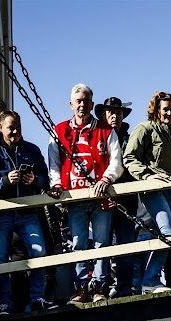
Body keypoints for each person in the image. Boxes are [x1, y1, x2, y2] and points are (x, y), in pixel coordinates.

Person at [49, 84, 123, 305]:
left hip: (101, 197)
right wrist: (56, 184)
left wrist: (105, 180)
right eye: (78, 101)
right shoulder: (60, 130)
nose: (82, 105)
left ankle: (99, 287)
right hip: (75, 199)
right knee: (79, 243)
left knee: (101, 243)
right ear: (71, 104)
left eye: (86, 101)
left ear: (92, 104)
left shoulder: (105, 130)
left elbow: (116, 161)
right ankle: (80, 288)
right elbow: (54, 162)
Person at [0, 111, 56, 315]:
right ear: (0, 127)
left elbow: (45, 178)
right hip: (1, 214)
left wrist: (34, 181)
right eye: (11, 127)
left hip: (28, 211)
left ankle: (38, 298)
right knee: (1, 259)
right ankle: (5, 303)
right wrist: (4, 181)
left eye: (18, 127)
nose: (16, 132)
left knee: (39, 252)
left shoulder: (32, 150)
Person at [123, 91, 171, 294]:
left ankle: (150, 280)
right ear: (156, 110)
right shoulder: (144, 128)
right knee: (168, 233)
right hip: (153, 189)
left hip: (170, 191)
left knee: (167, 235)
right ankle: (151, 279)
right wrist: (147, 176)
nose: (169, 113)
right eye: (165, 109)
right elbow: (129, 157)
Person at [95, 96, 138, 298]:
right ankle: (99, 288)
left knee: (126, 246)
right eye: (110, 112)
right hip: (101, 202)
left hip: (127, 202)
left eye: (118, 113)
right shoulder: (96, 139)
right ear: (103, 115)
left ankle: (124, 289)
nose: (115, 116)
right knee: (100, 245)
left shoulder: (130, 140)